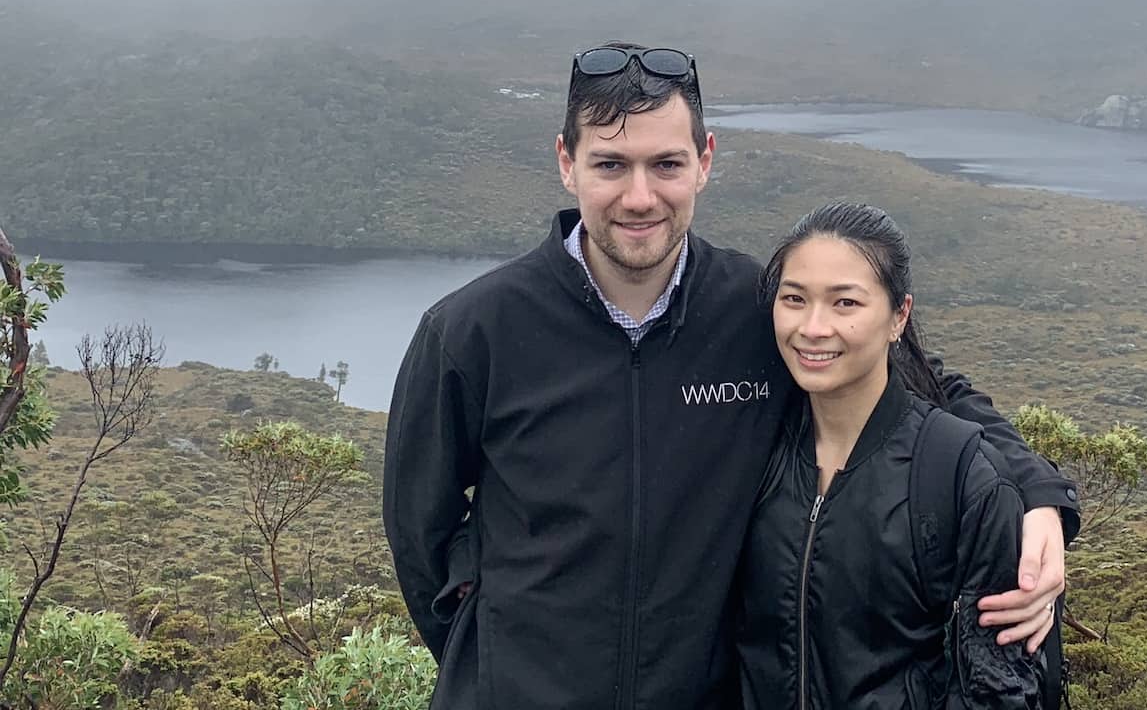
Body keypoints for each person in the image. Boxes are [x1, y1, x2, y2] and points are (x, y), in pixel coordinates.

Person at [384, 43, 1079, 708]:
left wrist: (1039, 493)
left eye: (665, 164)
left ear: (705, 161)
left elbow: (920, 384)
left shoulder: (754, 310)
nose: (638, 196)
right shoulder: (472, 332)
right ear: (567, 163)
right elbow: (421, 534)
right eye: (609, 166)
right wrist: (495, 658)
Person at [738, 203, 1046, 709]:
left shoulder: (957, 476)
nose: (813, 327)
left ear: (898, 315)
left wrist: (1047, 498)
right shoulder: (751, 448)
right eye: (794, 298)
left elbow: (999, 690)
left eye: (845, 304)